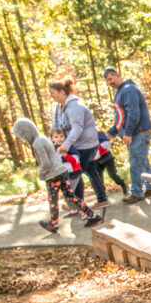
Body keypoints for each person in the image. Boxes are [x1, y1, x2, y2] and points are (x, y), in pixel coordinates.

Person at [13, 119, 102, 233]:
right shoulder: (42, 138)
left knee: (55, 200)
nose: (23, 138)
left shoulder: (37, 143)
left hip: (53, 175)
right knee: (69, 197)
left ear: (27, 131)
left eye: (22, 135)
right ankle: (92, 216)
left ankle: (55, 224)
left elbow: (45, 163)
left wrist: (41, 175)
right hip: (61, 172)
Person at [49, 78, 108, 208]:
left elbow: (78, 128)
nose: (51, 96)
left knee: (74, 171)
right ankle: (101, 199)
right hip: (76, 144)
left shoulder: (74, 106)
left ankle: (73, 203)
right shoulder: (59, 107)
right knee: (90, 170)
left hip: (86, 144)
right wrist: (50, 143)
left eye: (52, 93)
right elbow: (55, 126)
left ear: (61, 92)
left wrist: (67, 144)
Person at [104, 67, 151, 204]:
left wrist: (127, 132)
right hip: (134, 131)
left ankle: (137, 192)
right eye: (107, 80)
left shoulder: (128, 89)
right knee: (142, 160)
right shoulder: (120, 91)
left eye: (110, 78)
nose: (109, 82)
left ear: (118, 75)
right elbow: (121, 115)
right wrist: (113, 131)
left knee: (136, 162)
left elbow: (133, 113)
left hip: (138, 132)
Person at [49, 128, 85, 217]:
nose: (59, 139)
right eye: (56, 137)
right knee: (75, 193)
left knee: (68, 194)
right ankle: (75, 209)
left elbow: (75, 160)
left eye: (62, 136)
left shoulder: (68, 147)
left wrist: (64, 155)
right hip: (64, 175)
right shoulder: (53, 148)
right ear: (51, 139)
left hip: (73, 173)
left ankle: (83, 210)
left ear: (65, 137)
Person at [94, 131, 129, 195]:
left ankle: (124, 185)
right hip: (97, 161)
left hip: (107, 158)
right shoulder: (83, 139)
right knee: (99, 178)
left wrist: (96, 155)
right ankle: (103, 193)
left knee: (112, 175)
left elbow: (107, 142)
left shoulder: (99, 134)